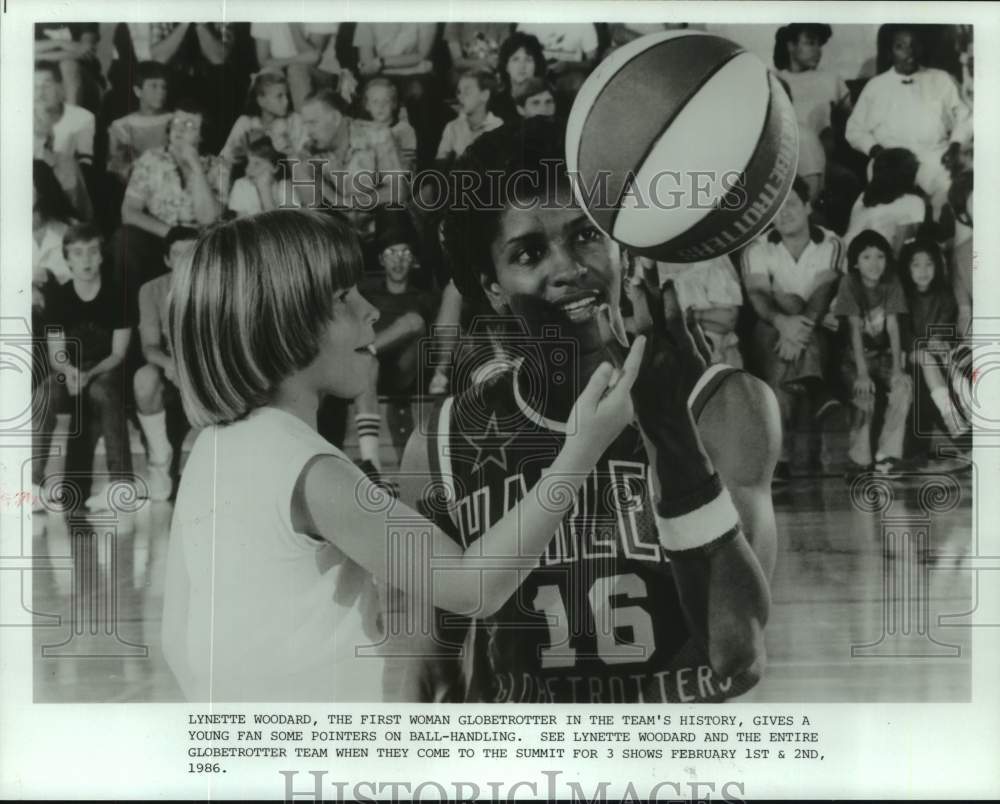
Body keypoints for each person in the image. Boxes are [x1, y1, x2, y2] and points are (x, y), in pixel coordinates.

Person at [160, 208, 643, 702]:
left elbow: (176, 636)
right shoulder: (308, 470)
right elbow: (474, 587)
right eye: (344, 298)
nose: (371, 310)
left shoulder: (212, 448)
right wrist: (583, 449)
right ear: (280, 326)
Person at [388, 119, 778, 704]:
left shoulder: (723, 404)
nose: (569, 267)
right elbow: (426, 675)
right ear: (492, 285)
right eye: (529, 251)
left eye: (587, 235)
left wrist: (671, 433)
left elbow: (736, 656)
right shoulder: (444, 442)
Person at [741, 177, 843, 479]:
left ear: (808, 206)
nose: (783, 213)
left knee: (782, 371)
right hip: (771, 327)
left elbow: (824, 293)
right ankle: (817, 386)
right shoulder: (756, 248)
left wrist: (798, 331)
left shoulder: (831, 242)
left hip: (819, 327)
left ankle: (778, 460)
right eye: (775, 208)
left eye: (791, 205)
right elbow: (758, 295)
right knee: (786, 311)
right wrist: (783, 322)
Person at [36, 224, 134, 512]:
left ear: (101, 256)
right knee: (46, 392)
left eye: (92, 251)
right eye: (78, 253)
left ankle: (120, 485)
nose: (87, 259)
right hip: (71, 369)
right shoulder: (59, 298)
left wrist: (89, 375)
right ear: (67, 260)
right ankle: (32, 484)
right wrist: (70, 373)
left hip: (107, 369)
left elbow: (118, 353)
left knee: (103, 391)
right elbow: (57, 355)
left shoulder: (119, 294)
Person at [117, 99, 230, 314]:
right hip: (160, 236)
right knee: (125, 240)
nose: (179, 128)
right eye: (177, 122)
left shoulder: (218, 166)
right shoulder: (150, 159)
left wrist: (196, 168)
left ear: (202, 134)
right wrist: (170, 233)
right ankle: (132, 320)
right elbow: (128, 212)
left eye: (189, 125)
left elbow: (208, 218)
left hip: (200, 240)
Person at [846, 25, 972, 216]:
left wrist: (955, 146)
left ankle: (940, 237)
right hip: (892, 161)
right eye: (900, 46)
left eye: (914, 45)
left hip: (935, 156)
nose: (909, 52)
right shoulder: (876, 86)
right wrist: (877, 151)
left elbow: (965, 117)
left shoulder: (941, 79)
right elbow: (854, 130)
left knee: (951, 194)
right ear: (890, 52)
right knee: (889, 209)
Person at [359, 213, 441, 463]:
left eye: (405, 253)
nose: (398, 261)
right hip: (372, 375)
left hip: (407, 372)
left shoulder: (424, 297)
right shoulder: (367, 296)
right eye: (391, 253)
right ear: (381, 260)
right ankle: (371, 463)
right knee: (366, 362)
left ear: (413, 260)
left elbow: (430, 337)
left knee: (414, 322)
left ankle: (366, 350)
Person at [831, 229, 911, 475]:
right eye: (866, 257)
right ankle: (859, 458)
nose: (874, 264)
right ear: (855, 262)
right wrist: (862, 374)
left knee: (903, 387)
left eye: (880, 256)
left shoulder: (892, 282)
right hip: (855, 357)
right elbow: (854, 328)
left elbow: (893, 326)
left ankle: (887, 455)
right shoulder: (849, 283)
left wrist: (898, 369)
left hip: (885, 354)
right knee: (863, 394)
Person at [291, 89, 407, 251]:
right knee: (311, 225)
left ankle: (396, 271)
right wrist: (305, 170)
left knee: (394, 210)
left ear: (336, 118)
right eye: (306, 124)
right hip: (341, 233)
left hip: (378, 225)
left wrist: (347, 202)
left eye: (313, 122)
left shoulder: (378, 135)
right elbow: (313, 207)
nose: (308, 131)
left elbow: (398, 191)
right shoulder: (309, 149)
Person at [134, 227, 199, 502]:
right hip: (169, 370)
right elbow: (149, 346)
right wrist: (171, 365)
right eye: (177, 254)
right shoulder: (151, 289)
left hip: (204, 372)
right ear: (167, 260)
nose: (184, 262)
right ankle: (160, 462)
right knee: (143, 379)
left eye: (191, 254)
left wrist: (191, 370)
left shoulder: (220, 285)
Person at [897, 239, 969, 459]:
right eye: (916, 265)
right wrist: (923, 346)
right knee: (924, 365)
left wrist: (939, 341)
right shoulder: (903, 296)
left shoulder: (944, 295)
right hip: (909, 354)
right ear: (907, 268)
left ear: (937, 267)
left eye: (929, 264)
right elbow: (903, 332)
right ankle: (957, 427)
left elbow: (945, 327)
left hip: (935, 356)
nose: (923, 271)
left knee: (933, 368)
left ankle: (917, 451)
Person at [653, 255, 745, 368]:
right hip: (674, 360)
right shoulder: (648, 263)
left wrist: (689, 317)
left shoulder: (713, 259)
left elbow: (728, 318)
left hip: (721, 354)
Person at [774, 24, 853, 144]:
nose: (818, 50)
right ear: (791, 46)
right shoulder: (775, 81)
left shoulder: (832, 80)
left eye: (819, 44)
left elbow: (853, 123)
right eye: (810, 43)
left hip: (826, 153)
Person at [844, 147, 928, 256]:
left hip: (847, 255)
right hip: (874, 263)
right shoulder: (914, 202)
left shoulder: (864, 195)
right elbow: (900, 252)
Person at [219, 70, 307, 166]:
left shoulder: (295, 120)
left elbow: (305, 159)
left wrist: (288, 146)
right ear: (261, 101)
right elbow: (224, 157)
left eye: (287, 95)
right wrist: (237, 153)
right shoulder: (245, 122)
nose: (286, 101)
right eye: (279, 96)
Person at [106, 60, 171, 184]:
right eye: (154, 86)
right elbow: (118, 167)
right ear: (138, 91)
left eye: (164, 87)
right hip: (137, 185)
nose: (161, 92)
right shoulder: (122, 126)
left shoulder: (173, 120)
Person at [435, 69, 503, 165]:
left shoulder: (498, 126)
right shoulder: (452, 127)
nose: (460, 97)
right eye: (459, 92)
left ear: (484, 95)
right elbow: (440, 165)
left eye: (467, 92)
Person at [226, 136, 299, 217]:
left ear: (275, 167)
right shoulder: (242, 185)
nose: (248, 169)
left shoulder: (285, 186)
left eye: (257, 164)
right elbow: (243, 225)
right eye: (248, 162)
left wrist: (265, 190)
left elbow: (284, 227)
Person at [361, 77, 418, 175]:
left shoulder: (404, 129)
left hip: (397, 178)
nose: (381, 106)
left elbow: (408, 165)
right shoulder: (364, 130)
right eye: (375, 101)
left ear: (394, 103)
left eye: (386, 101)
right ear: (367, 106)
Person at [491, 32, 547, 124]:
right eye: (515, 59)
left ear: (536, 65)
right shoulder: (495, 104)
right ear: (506, 66)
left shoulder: (546, 100)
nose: (522, 66)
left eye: (528, 60)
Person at [443, 22, 514, 84]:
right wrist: (486, 63)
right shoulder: (455, 21)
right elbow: (457, 62)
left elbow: (504, 56)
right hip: (463, 75)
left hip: (493, 74)